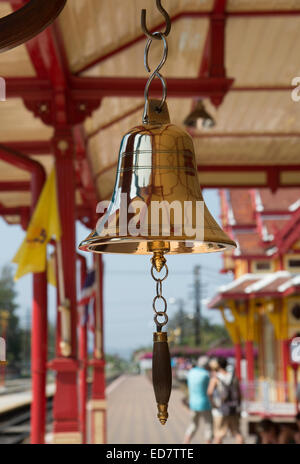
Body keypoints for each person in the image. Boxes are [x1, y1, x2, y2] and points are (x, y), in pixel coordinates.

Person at [207, 356, 243, 444]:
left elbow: (209, 392)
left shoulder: (216, 378)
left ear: (218, 365)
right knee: (237, 433)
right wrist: (238, 405)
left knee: (218, 435)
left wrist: (213, 404)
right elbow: (239, 394)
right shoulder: (234, 377)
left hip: (221, 409)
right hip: (233, 408)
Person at [183, 356, 213, 444]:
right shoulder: (206, 374)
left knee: (193, 424)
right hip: (205, 403)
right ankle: (208, 442)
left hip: (193, 403)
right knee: (208, 425)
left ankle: (186, 441)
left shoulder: (191, 372)